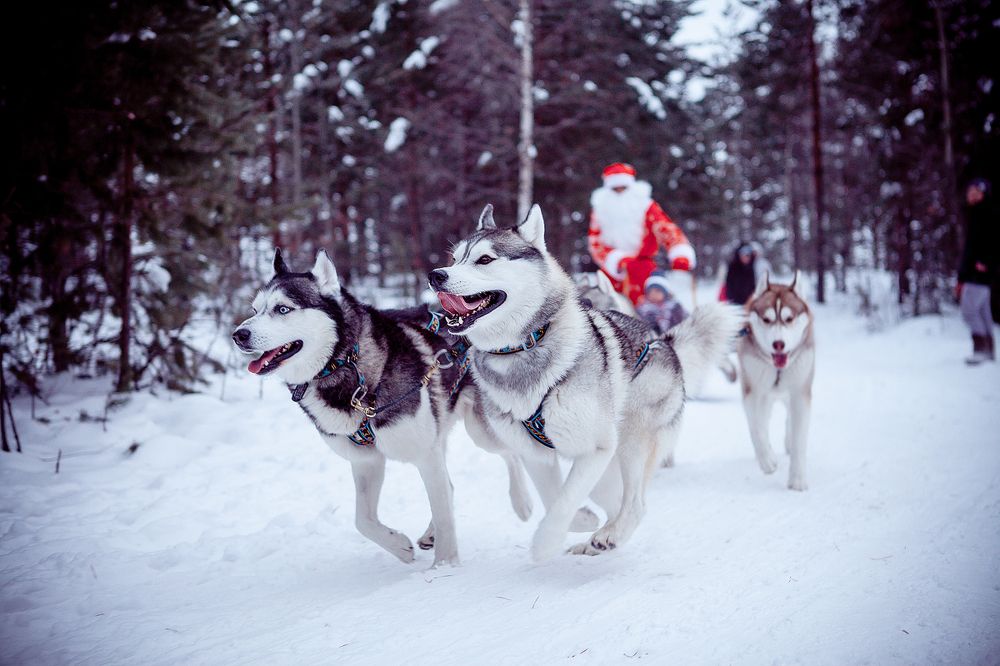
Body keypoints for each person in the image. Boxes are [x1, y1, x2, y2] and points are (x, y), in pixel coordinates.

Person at [588, 162, 696, 306]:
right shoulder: (600, 210)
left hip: (644, 272)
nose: (620, 192)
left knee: (649, 313)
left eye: (623, 188)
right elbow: (595, 243)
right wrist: (616, 259)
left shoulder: (646, 206)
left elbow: (666, 229)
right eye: (615, 189)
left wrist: (679, 252)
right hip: (613, 274)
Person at [957, 177, 998, 365]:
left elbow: (989, 242)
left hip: (979, 272)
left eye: (975, 192)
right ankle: (989, 350)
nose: (970, 195)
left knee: (969, 311)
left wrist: (985, 262)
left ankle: (980, 349)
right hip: (977, 272)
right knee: (982, 312)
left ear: (983, 194)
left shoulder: (985, 214)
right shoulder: (976, 214)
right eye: (969, 192)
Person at [718, 241, 770, 306]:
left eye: (748, 255)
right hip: (733, 305)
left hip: (751, 304)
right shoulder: (732, 268)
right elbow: (727, 288)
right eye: (744, 255)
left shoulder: (755, 267)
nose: (746, 257)